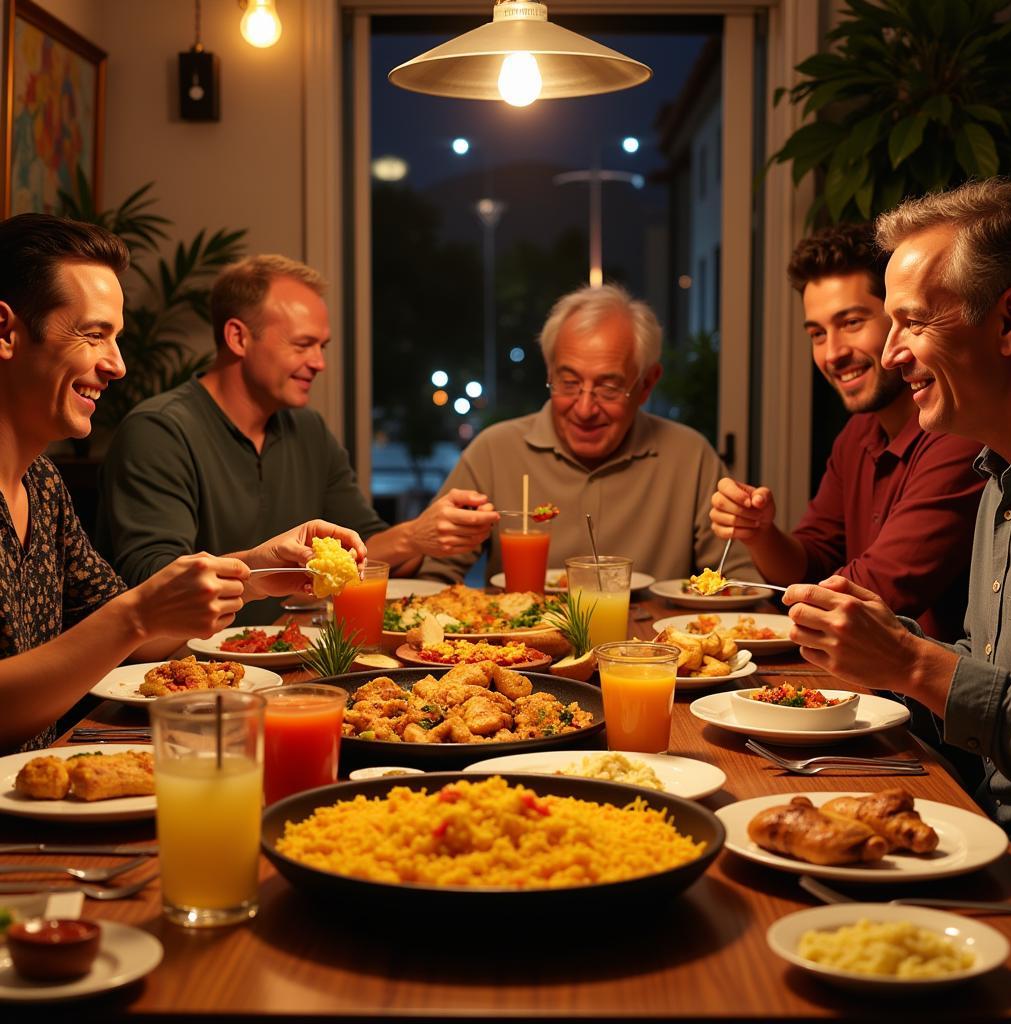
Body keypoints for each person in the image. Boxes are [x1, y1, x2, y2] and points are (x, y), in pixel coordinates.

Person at [0, 214, 365, 753]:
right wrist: (138, 614)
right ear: (7, 332)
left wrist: (258, 572)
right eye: (93, 335)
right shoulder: (160, 429)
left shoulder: (44, 486)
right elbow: (131, 622)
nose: (118, 365)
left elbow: (130, 642)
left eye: (116, 338)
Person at [785, 179, 1011, 842]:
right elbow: (983, 670)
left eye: (913, 322)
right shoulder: (1000, 482)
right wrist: (894, 654)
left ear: (1009, 322)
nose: (891, 353)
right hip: (973, 819)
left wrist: (908, 663)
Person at [96, 255, 497, 623]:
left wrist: (423, 533)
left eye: (321, 347)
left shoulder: (309, 431)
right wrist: (411, 537)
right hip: (185, 674)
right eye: (303, 345)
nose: (319, 363)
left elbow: (367, 548)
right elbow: (155, 584)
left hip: (293, 652)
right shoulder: (159, 431)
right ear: (238, 337)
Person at [710, 224, 984, 642]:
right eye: (817, 334)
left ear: (898, 321)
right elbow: (811, 560)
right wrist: (758, 533)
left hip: (924, 702)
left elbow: (874, 592)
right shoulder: (858, 432)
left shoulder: (958, 430)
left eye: (851, 322)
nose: (832, 353)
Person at [420, 283, 759, 584]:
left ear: (646, 385)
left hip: (652, 650)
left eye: (609, 388)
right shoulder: (494, 451)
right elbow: (435, 577)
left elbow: (737, 583)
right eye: (568, 383)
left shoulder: (690, 456)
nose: (584, 409)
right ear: (549, 373)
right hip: (523, 650)